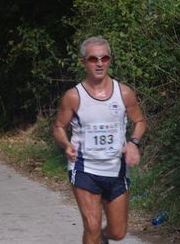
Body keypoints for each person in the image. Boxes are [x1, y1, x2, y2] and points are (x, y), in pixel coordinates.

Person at [53, 36, 146, 244]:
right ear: (83, 62)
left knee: (118, 232)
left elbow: (140, 121)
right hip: (84, 168)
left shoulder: (124, 93)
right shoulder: (73, 96)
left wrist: (133, 142)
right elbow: (58, 127)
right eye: (93, 59)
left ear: (110, 60)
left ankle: (102, 238)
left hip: (116, 169)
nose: (99, 63)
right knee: (92, 225)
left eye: (104, 58)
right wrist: (66, 145)